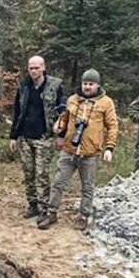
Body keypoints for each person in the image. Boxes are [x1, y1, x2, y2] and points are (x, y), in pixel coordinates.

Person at [40, 68, 118, 232]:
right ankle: (51, 213)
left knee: (87, 187)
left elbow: (112, 126)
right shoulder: (73, 100)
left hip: (90, 153)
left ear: (97, 85)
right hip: (69, 150)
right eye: (85, 83)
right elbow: (65, 119)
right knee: (58, 183)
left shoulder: (106, 103)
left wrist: (109, 147)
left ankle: (83, 216)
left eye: (91, 84)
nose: (87, 87)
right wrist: (59, 129)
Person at [9, 55, 66, 219]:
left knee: (42, 174)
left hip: (44, 137)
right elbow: (17, 113)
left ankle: (44, 209)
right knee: (29, 173)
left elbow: (63, 111)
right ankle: (32, 205)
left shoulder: (55, 85)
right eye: (31, 68)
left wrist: (61, 135)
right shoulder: (24, 87)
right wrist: (14, 136)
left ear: (43, 67)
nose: (33, 71)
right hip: (26, 137)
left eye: (36, 67)